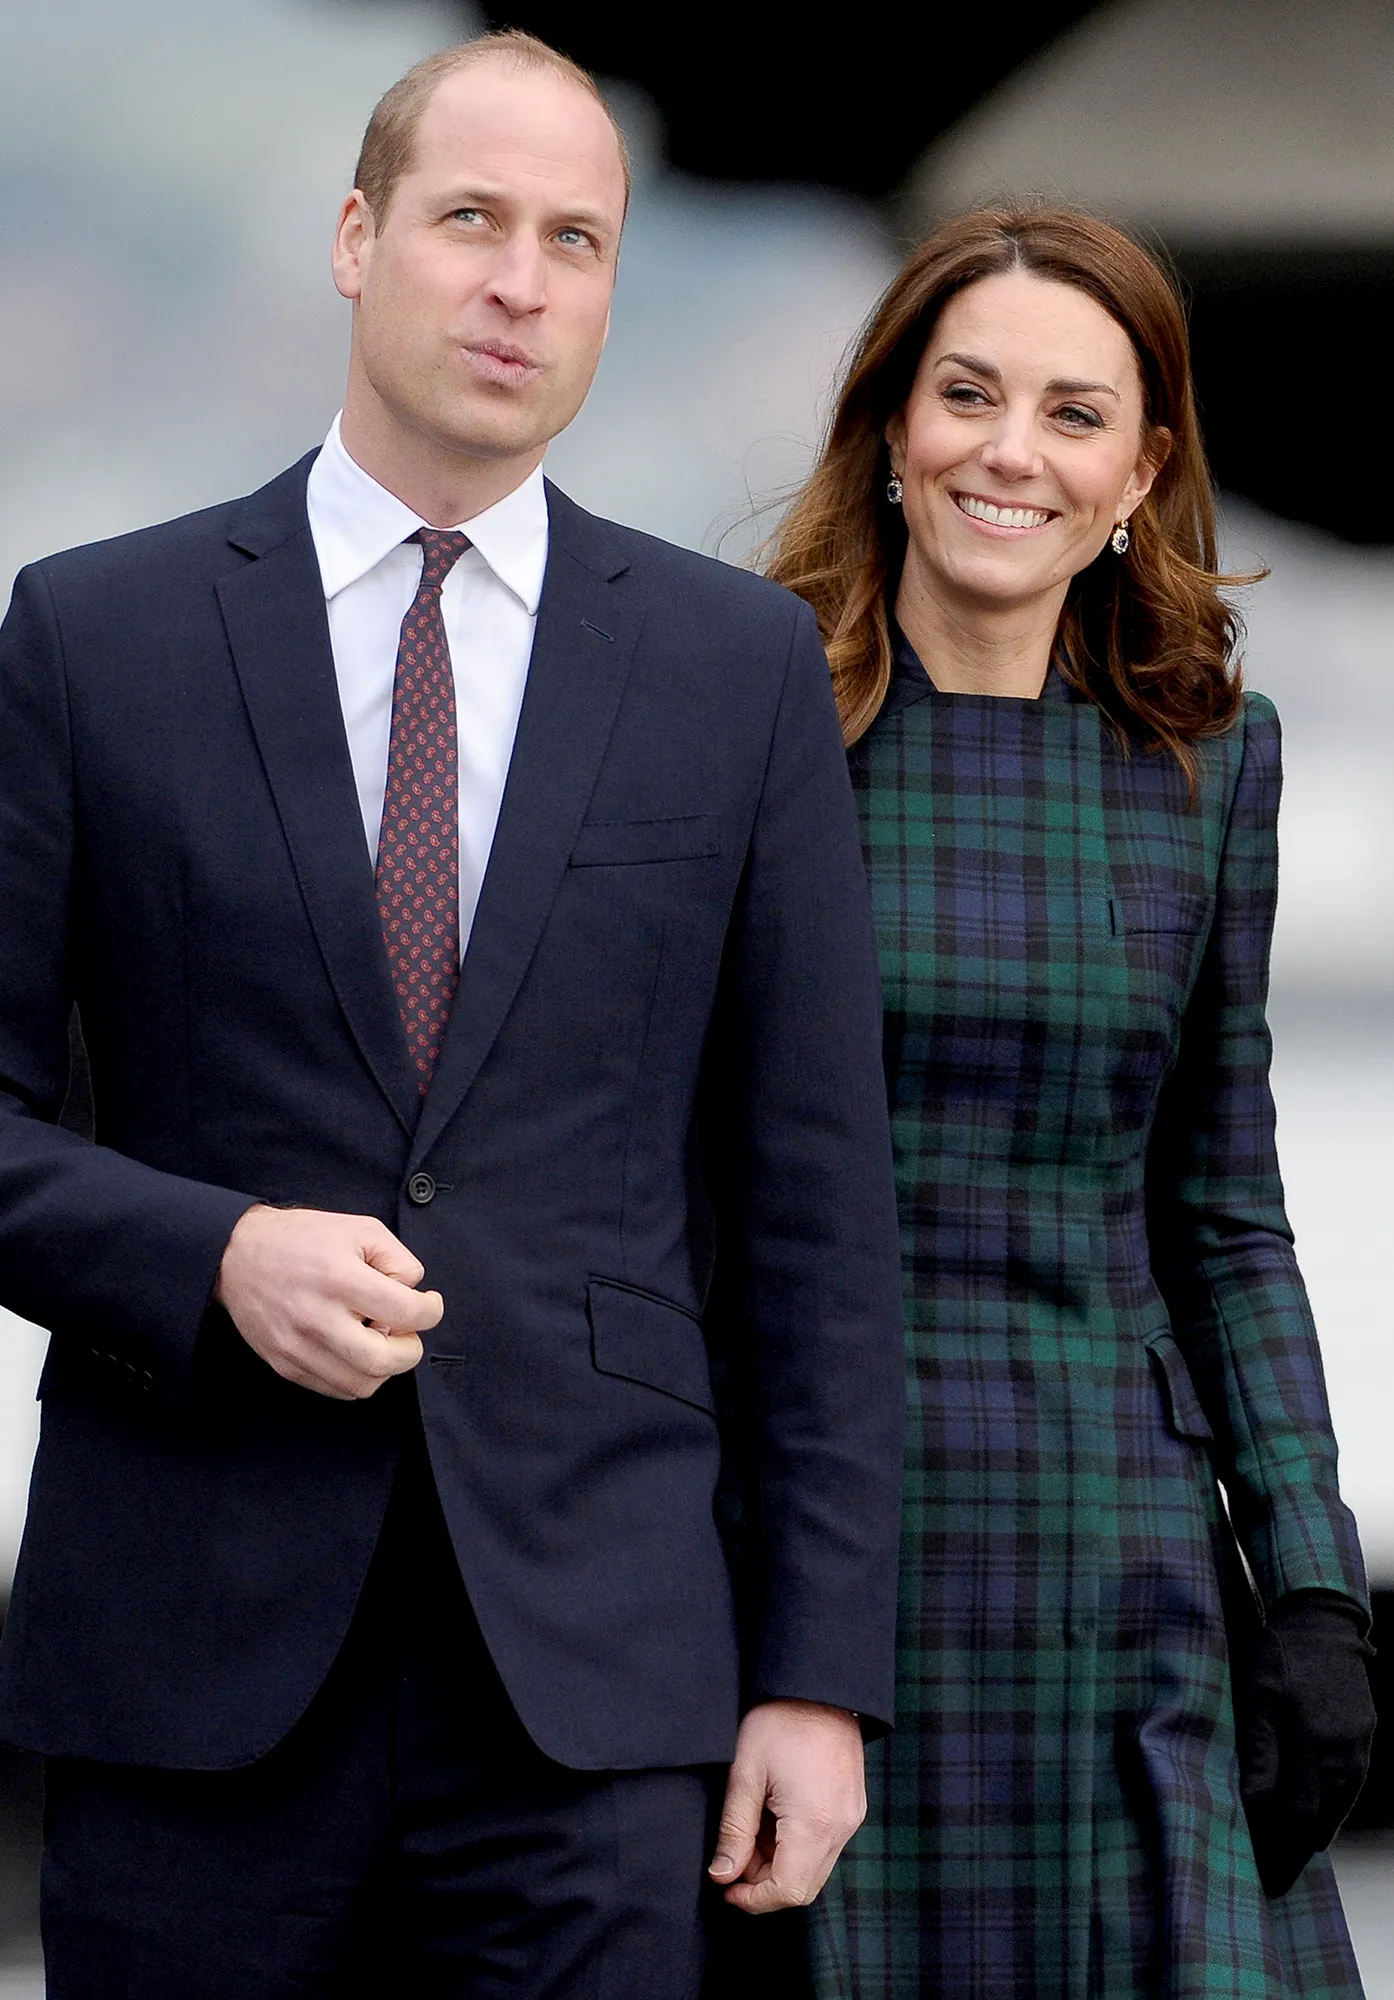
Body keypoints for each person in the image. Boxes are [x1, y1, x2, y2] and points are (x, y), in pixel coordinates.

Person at [0, 32, 906, 1998]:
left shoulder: (734, 670)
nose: (518, 280)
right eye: (470, 220)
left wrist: (818, 1681)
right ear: (355, 236)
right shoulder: (94, 635)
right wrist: (209, 1248)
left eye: (572, 240)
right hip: (188, 1671)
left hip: (593, 1695)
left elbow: (817, 1223)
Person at [763, 204, 1377, 1998]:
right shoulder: (746, 726)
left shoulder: (1203, 757)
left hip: (1119, 1554)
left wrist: (1315, 1588)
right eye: (966, 395)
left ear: (1142, 466)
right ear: (890, 427)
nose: (1008, 453)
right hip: (821, 1555)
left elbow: (1223, 1208)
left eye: (1072, 412)